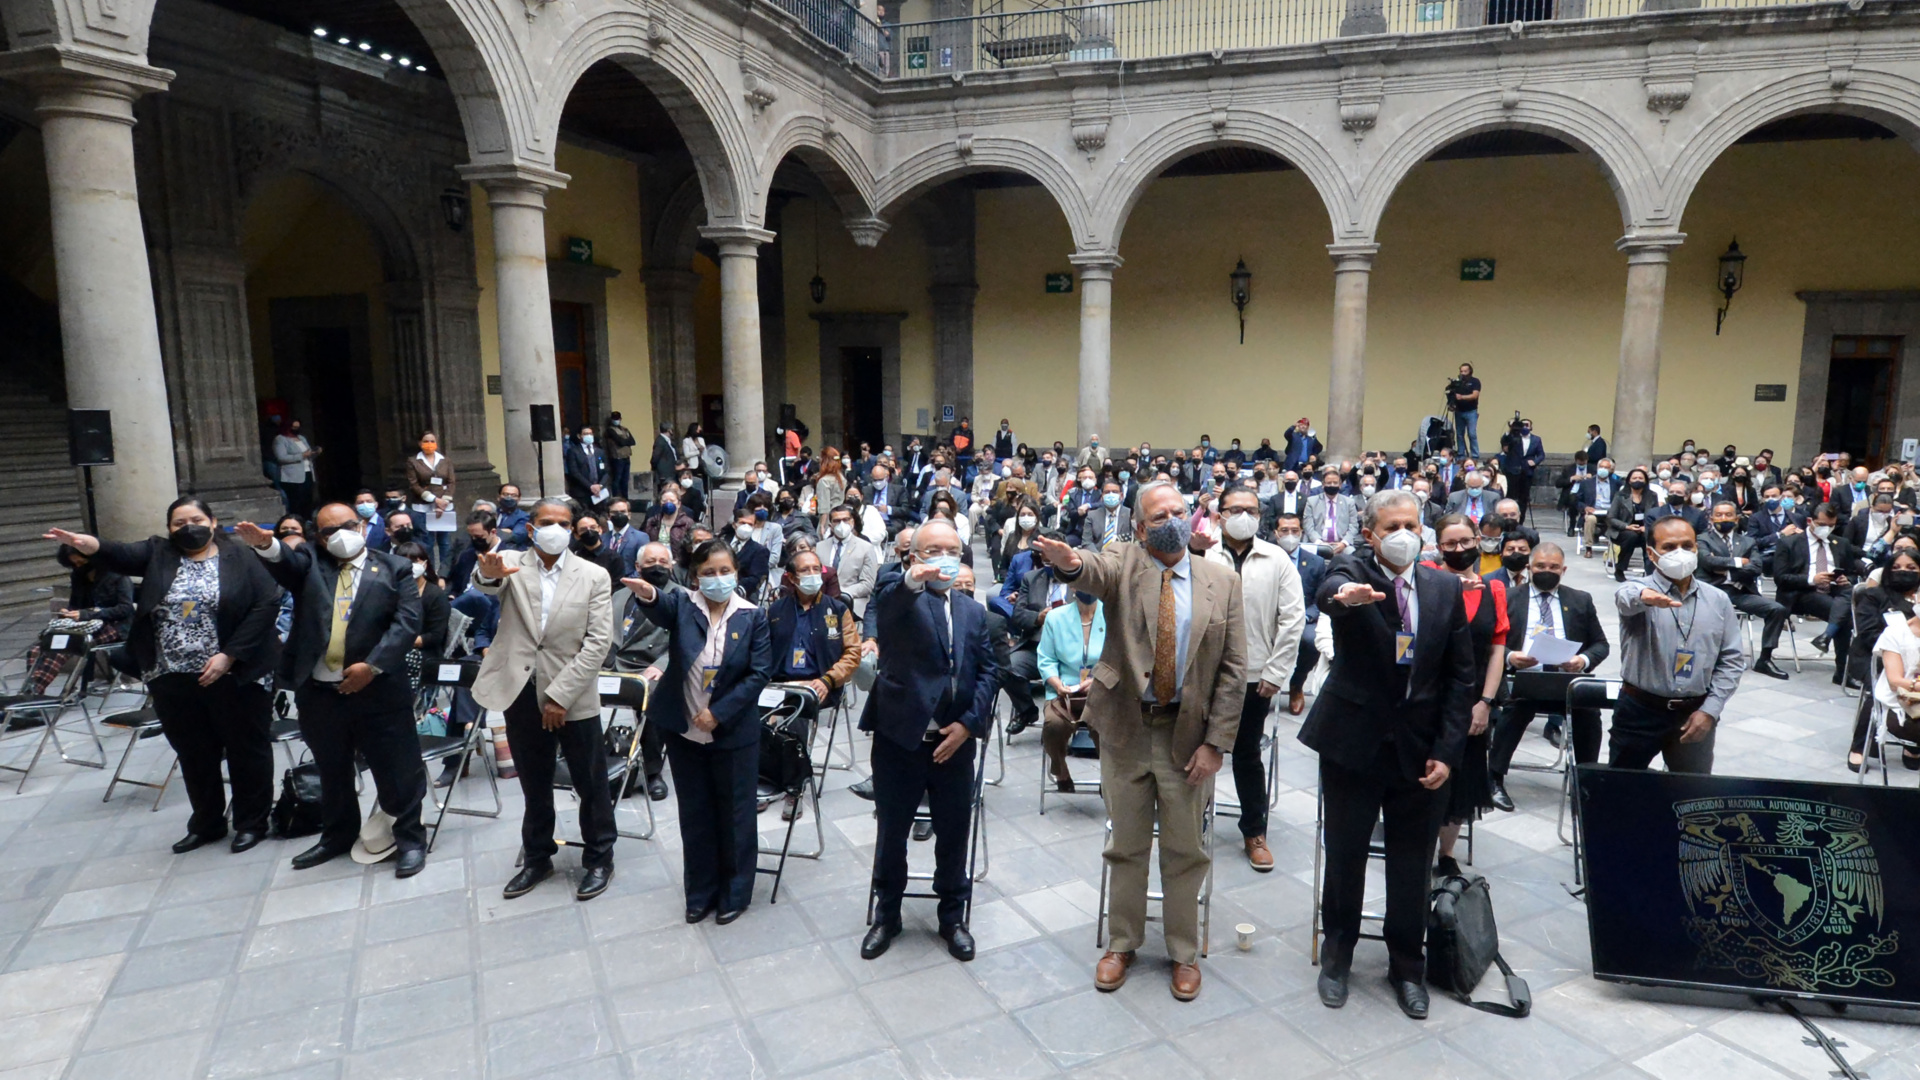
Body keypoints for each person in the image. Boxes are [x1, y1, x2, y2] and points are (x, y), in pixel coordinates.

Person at [1030, 482, 1246, 1003]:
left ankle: (1182, 953)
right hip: (1127, 728)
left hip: (1187, 735)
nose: (1171, 519)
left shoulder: (1222, 579)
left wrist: (1216, 743)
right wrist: (1068, 562)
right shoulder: (1123, 561)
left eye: (1178, 510)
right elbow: (1091, 570)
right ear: (1141, 527)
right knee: (1124, 844)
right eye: (1158, 515)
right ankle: (1122, 943)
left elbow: (1234, 670)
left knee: (1185, 850)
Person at [1298, 489, 1475, 1021]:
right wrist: (1342, 595)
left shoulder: (1443, 587)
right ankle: (1338, 955)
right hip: (1355, 744)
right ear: (1371, 533)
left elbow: (1458, 676)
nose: (1404, 533)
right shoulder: (1354, 569)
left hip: (1421, 751)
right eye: (1391, 525)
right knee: (1346, 854)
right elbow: (1331, 587)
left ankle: (1406, 965)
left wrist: (1448, 750)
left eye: (1412, 524)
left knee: (1411, 863)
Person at [46, 500, 282, 854]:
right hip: (170, 674)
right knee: (193, 752)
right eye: (179, 522)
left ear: (213, 522)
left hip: (234, 672)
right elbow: (119, 553)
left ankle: (251, 823)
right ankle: (207, 823)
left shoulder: (241, 556)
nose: (189, 527)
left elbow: (266, 604)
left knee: (246, 749)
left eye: (197, 520)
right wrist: (85, 543)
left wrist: (229, 655)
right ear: (169, 528)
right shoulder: (159, 552)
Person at [233, 506, 427, 877]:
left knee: (397, 770)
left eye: (348, 526)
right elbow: (286, 563)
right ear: (318, 537)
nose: (340, 534)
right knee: (331, 768)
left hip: (379, 690)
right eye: (328, 531)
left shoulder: (394, 568)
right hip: (321, 690)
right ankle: (337, 835)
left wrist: (372, 665)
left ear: (362, 526)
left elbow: (406, 623)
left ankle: (409, 840)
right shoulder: (311, 563)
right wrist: (267, 545)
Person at [859, 519, 997, 963]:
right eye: (933, 549)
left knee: (954, 832)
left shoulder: (973, 611)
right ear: (914, 555)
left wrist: (968, 725)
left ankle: (952, 916)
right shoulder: (899, 598)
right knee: (892, 830)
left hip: (953, 742)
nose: (943, 556)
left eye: (951, 549)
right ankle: (888, 913)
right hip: (901, 738)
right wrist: (909, 583)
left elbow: (989, 672)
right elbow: (886, 609)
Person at [469, 498, 618, 901]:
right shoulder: (513, 562)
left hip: (573, 693)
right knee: (534, 782)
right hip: (520, 690)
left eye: (563, 522)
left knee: (591, 781)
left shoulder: (593, 575)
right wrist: (486, 571)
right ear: (531, 528)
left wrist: (559, 696)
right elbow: (487, 582)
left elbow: (598, 641)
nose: (555, 528)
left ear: (572, 529)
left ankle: (599, 857)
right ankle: (538, 855)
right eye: (546, 522)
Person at [624, 537, 773, 923]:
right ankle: (700, 892)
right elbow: (659, 606)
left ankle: (735, 892)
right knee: (696, 812)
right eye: (709, 573)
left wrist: (719, 713)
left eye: (725, 571)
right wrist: (647, 596)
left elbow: (759, 674)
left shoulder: (753, 616)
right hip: (684, 729)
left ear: (736, 573)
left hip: (733, 732)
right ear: (695, 577)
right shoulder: (683, 606)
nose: (718, 579)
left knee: (737, 813)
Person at [1612, 517, 1746, 772]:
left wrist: (1710, 710)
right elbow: (1624, 598)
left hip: (1695, 712)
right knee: (1623, 789)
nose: (1680, 554)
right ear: (1652, 554)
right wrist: (1644, 597)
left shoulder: (1718, 600)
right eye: (1669, 547)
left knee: (1691, 796)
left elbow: (1732, 660)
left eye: (1687, 545)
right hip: (1640, 710)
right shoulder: (1640, 590)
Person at [1486, 541, 1609, 809]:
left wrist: (1583, 660)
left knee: (1590, 712)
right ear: (1529, 567)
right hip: (1524, 679)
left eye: (1553, 567)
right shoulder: (1509, 598)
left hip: (1566, 681)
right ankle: (1494, 778)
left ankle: (1583, 780)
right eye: (1540, 566)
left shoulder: (1580, 600)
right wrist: (1510, 657)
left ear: (1563, 570)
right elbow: (1487, 641)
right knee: (1515, 708)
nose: (1546, 571)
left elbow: (1601, 645)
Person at [1422, 513, 1504, 877]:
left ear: (1477, 541)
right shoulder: (1425, 578)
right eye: (1450, 544)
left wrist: (1485, 702)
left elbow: (1497, 649)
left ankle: (1447, 852)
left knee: (1460, 778)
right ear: (1439, 548)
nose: (1459, 549)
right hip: (1427, 694)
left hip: (1471, 698)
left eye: (1466, 542)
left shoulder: (1495, 589)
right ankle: (1415, 843)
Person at [766, 548, 861, 821]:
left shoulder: (837, 609)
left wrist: (827, 680)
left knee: (794, 718)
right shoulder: (776, 610)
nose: (812, 575)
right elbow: (761, 650)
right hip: (779, 683)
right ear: (790, 578)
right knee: (749, 714)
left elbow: (852, 654)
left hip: (819, 684)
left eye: (815, 569)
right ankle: (767, 777)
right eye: (804, 570)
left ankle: (794, 789)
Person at [1695, 499, 1790, 679]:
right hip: (1713, 591)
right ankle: (1711, 656)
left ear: (1737, 519)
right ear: (1712, 519)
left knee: (1776, 609)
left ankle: (1765, 659)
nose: (1724, 518)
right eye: (1719, 515)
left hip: (1740, 592)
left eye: (1728, 514)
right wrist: (1739, 562)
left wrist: (1725, 571)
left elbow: (1756, 568)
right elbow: (1707, 561)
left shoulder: (1747, 541)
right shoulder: (1702, 539)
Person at [21, 545, 134, 694]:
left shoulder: (116, 574)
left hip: (114, 625)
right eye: (74, 564)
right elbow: (75, 604)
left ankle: (32, 695)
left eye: (81, 562)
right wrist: (68, 612)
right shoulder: (78, 576)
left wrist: (86, 614)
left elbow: (125, 609)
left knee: (64, 648)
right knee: (38, 648)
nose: (78, 567)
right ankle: (33, 690)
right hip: (82, 625)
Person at [1774, 503, 1860, 685]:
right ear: (1810, 521)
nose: (1826, 529)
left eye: (1831, 525)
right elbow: (1780, 578)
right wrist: (1812, 579)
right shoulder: (1790, 542)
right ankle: (1843, 671)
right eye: (1822, 524)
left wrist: (1846, 579)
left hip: (1835, 590)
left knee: (1848, 596)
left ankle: (1827, 638)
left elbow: (1851, 572)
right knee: (1845, 616)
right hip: (1802, 593)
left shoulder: (1840, 543)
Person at [1851, 546, 1920, 769]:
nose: (1904, 571)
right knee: (1881, 685)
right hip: (1876, 655)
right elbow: (1869, 634)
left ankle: (1913, 743)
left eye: (1911, 568)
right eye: (1897, 567)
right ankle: (1859, 746)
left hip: (1916, 659)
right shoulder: (1873, 595)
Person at [1036, 586, 1105, 791]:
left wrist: (1098, 681)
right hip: (1063, 690)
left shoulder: (1114, 614)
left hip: (1103, 691)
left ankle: (1110, 775)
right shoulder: (1055, 617)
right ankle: (1060, 770)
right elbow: (1046, 658)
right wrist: (1057, 684)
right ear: (1073, 587)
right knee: (1054, 724)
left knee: (1109, 727)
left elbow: (1119, 659)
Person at [405, 431, 457, 576]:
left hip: (445, 507)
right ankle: (430, 573)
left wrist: (444, 501)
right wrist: (434, 500)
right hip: (423, 507)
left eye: (432, 441)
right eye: (426, 441)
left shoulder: (445, 460)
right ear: (420, 443)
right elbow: (414, 485)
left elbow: (451, 482)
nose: (429, 444)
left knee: (445, 542)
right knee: (426, 542)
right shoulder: (413, 461)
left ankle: (446, 573)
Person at [1607, 467, 1659, 581]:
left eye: (1640, 478)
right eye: (1634, 478)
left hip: (1644, 530)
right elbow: (1611, 518)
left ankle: (1650, 572)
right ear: (1629, 481)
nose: (1637, 480)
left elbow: (1656, 515)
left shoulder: (1652, 496)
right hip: (1622, 531)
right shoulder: (1620, 496)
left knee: (1649, 538)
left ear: (1645, 480)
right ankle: (1620, 569)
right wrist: (1627, 526)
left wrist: (1647, 527)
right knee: (1631, 536)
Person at [1304, 468, 1359, 558]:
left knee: (1352, 556)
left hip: (1342, 544)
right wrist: (1320, 543)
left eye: (1335, 483)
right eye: (1329, 483)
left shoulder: (1349, 502)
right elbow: (1308, 526)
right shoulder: (1312, 501)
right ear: (1323, 485)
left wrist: (1343, 543)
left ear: (1340, 485)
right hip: (1317, 544)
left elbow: (1354, 526)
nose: (1332, 485)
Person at [273, 419, 319, 518]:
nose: (296, 429)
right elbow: (281, 457)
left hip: (307, 472)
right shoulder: (280, 439)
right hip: (292, 477)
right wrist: (301, 455)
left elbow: (308, 454)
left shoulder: (301, 438)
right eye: (294, 427)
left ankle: (307, 520)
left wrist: (314, 453)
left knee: (308, 500)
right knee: (296, 501)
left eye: (297, 427)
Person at [728, 508, 773, 598]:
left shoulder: (759, 551)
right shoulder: (721, 543)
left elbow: (756, 578)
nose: (746, 527)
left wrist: (734, 588)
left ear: (754, 526)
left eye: (750, 524)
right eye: (743, 523)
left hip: (744, 595)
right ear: (734, 524)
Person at [571, 512, 624, 587]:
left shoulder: (614, 558)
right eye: (583, 529)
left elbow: (617, 586)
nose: (589, 531)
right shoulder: (574, 557)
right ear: (577, 535)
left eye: (593, 527)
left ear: (599, 529)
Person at [565, 425, 610, 508]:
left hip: (600, 493)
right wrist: (590, 486)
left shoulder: (600, 451)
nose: (589, 436)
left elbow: (606, 471)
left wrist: (600, 486)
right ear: (579, 436)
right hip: (582, 493)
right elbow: (574, 472)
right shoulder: (573, 451)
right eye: (585, 434)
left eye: (590, 433)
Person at [1447, 362, 1482, 458]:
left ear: (1470, 371)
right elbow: (1451, 394)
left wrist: (1462, 397)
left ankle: (1475, 455)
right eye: (1461, 371)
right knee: (1459, 434)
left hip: (1471, 411)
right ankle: (1461, 455)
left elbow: (1475, 395)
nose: (1463, 373)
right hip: (1459, 411)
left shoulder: (1475, 381)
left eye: (1465, 371)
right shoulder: (1457, 383)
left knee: (1472, 434)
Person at [603, 412, 637, 499]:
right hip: (617, 458)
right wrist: (626, 441)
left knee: (625, 480)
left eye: (617, 418)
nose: (616, 420)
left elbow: (633, 441)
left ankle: (625, 498)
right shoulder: (610, 430)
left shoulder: (624, 429)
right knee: (617, 479)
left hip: (626, 457)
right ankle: (616, 498)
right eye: (614, 419)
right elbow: (620, 442)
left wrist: (624, 441)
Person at [650, 422, 679, 496]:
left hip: (671, 471)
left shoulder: (668, 441)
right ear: (669, 430)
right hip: (664, 473)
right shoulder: (660, 441)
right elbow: (655, 457)